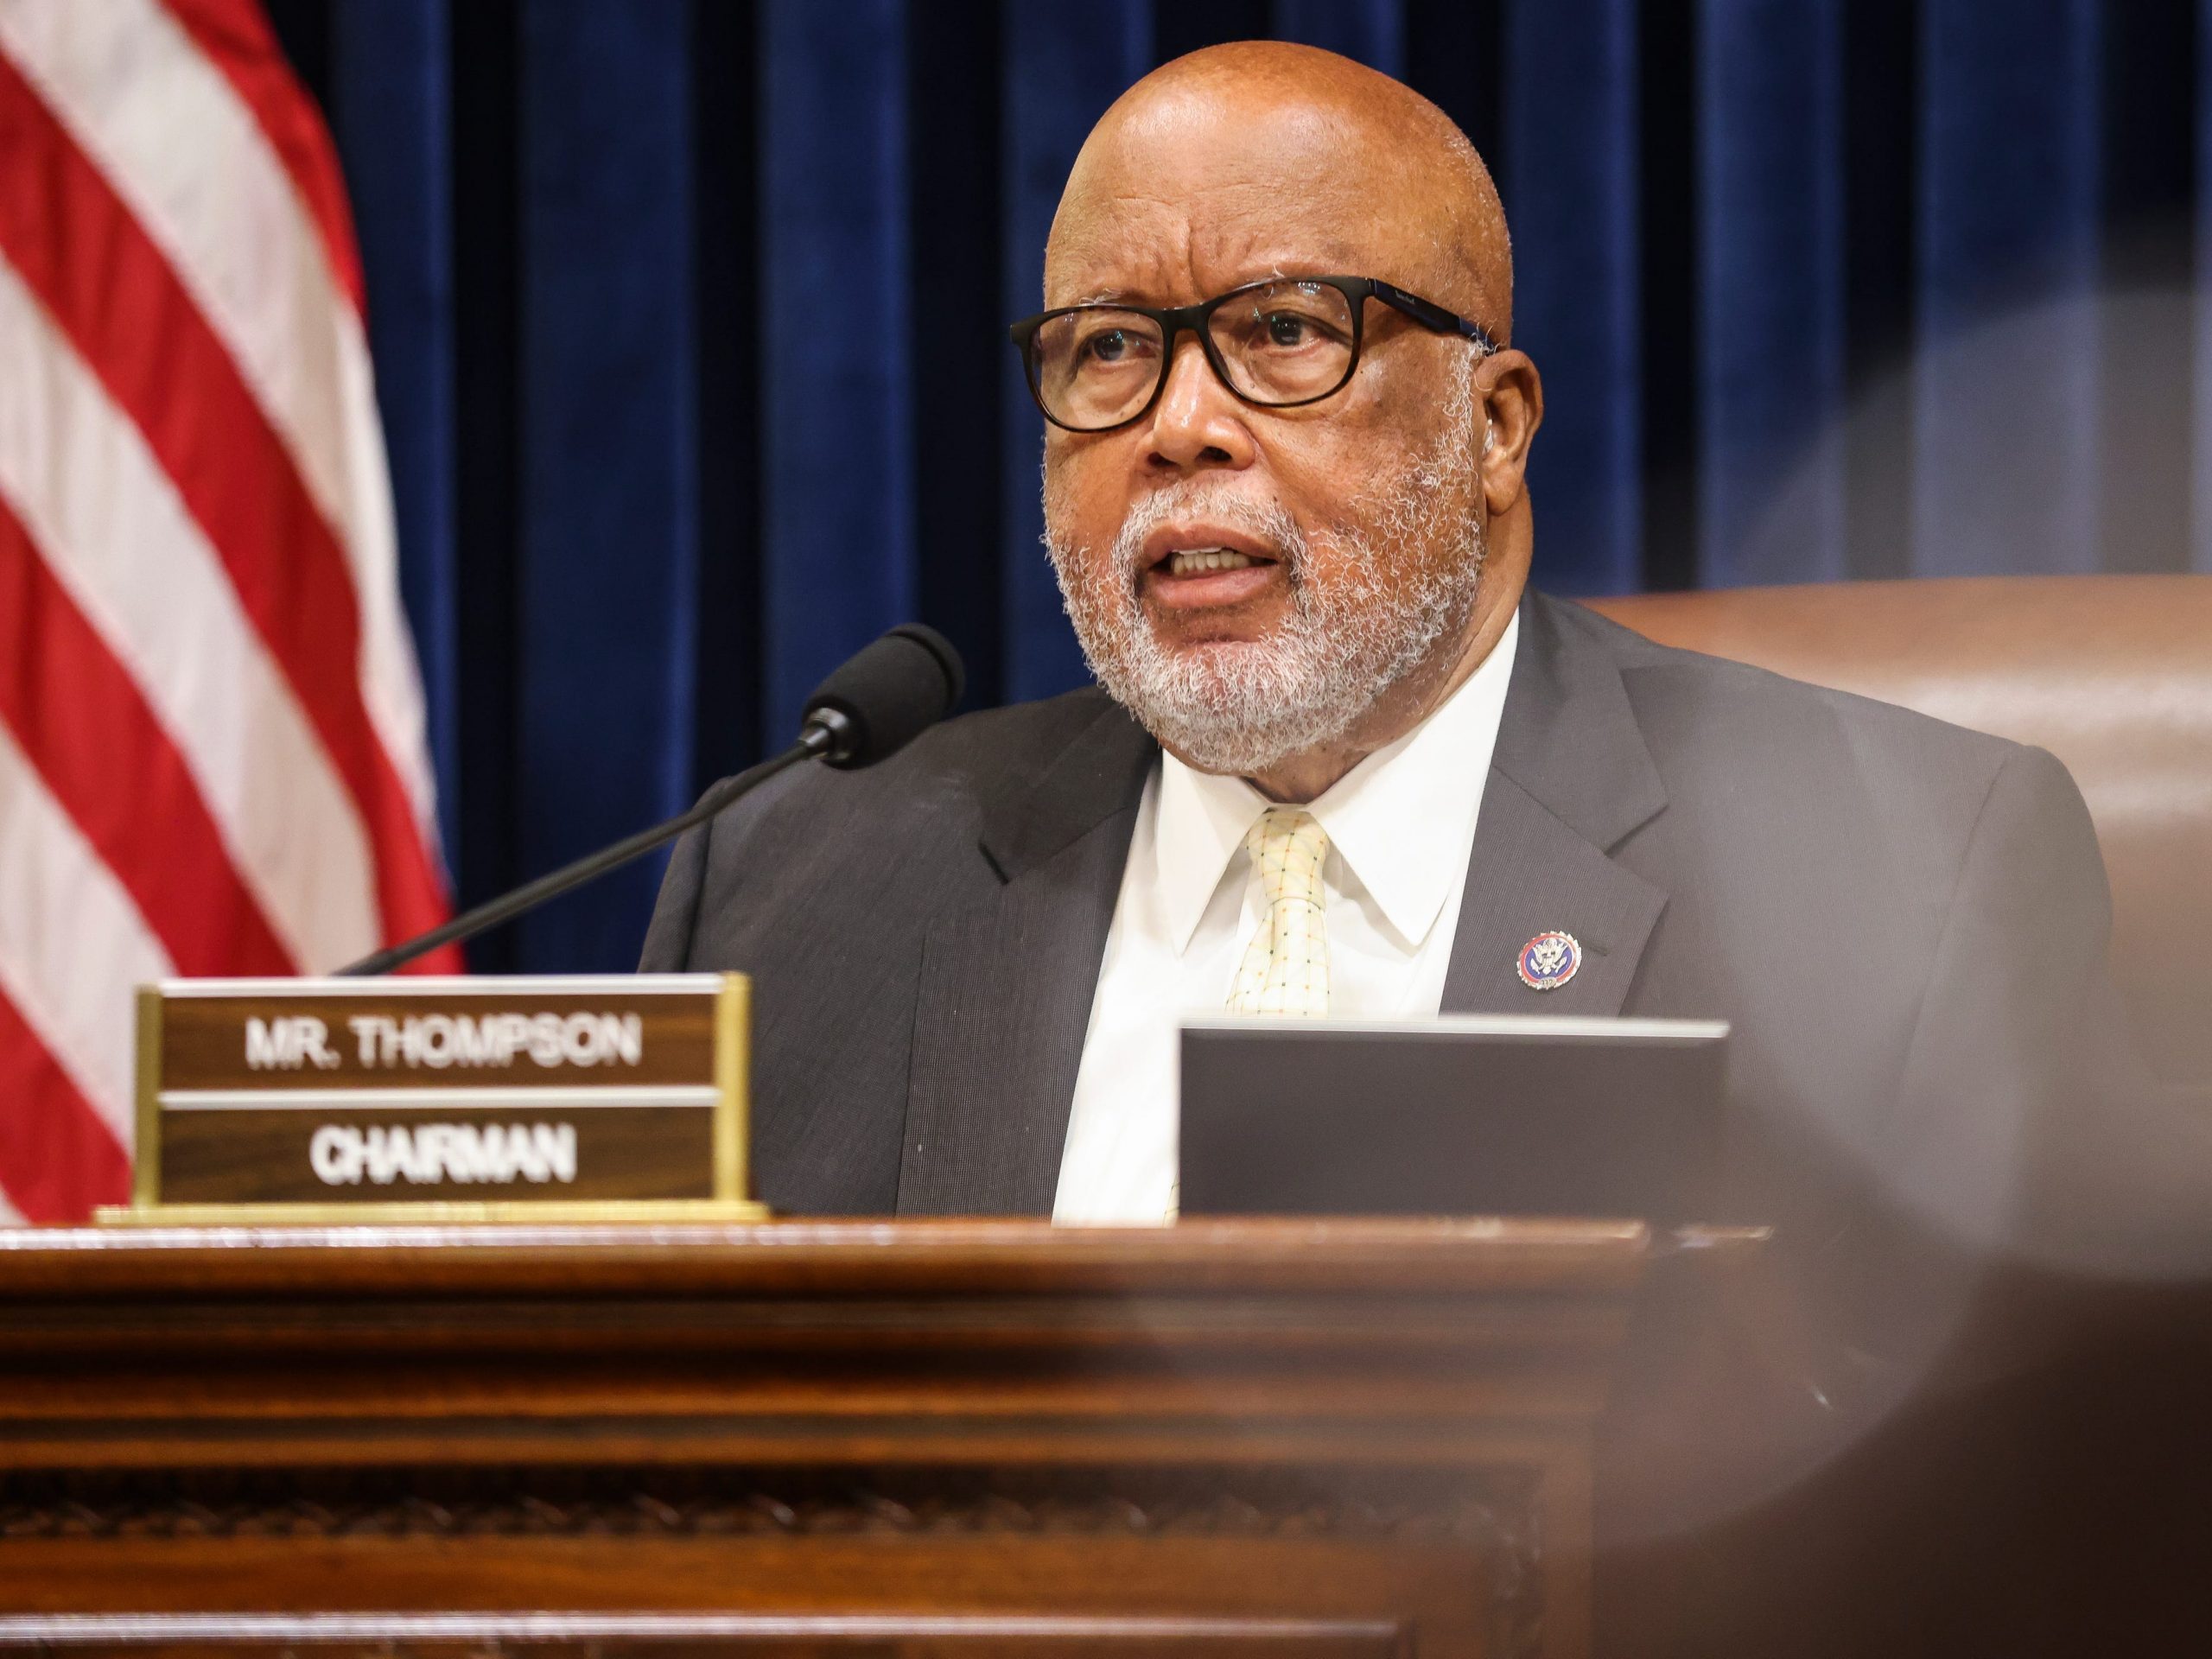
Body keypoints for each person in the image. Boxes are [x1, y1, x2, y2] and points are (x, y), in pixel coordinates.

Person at [645, 41, 2205, 1656]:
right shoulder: (804, 884)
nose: (1182, 427)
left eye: (1284, 334)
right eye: (1111, 352)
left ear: (1497, 423)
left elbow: (2042, 1548)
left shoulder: (1899, 876)